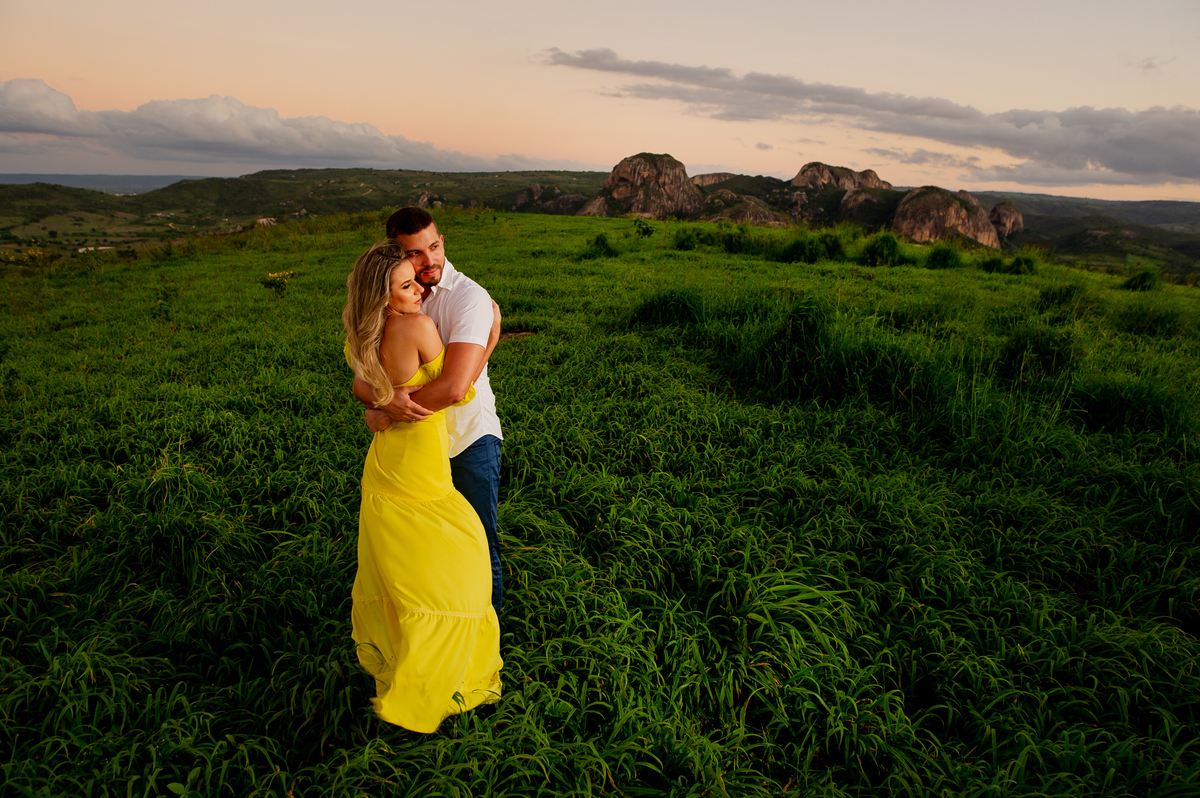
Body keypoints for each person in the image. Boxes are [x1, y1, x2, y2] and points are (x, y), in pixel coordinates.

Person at [343, 240, 502, 732]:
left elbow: (360, 384)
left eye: (416, 281)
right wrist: (491, 336)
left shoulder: (361, 330)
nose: (419, 291)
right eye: (406, 286)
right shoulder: (417, 325)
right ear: (384, 296)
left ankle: (401, 647)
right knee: (465, 551)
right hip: (418, 460)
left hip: (387, 460)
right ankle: (442, 661)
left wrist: (381, 404)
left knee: (403, 558)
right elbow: (460, 388)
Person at [353, 207, 506, 612]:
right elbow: (362, 381)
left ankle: (488, 625)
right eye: (415, 254)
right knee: (431, 546)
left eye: (434, 247)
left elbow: (456, 387)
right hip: (420, 451)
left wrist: (385, 411)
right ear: (397, 255)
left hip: (466, 440)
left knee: (476, 538)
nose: (429, 261)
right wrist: (380, 400)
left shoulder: (468, 298)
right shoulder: (395, 297)